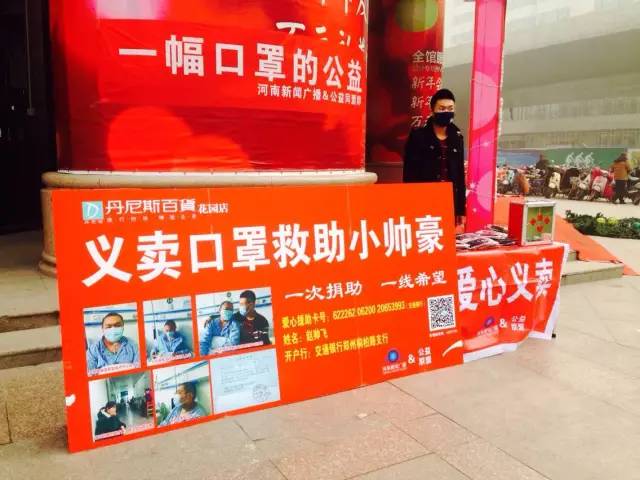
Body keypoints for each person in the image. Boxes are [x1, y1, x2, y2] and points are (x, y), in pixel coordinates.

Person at [403, 88, 466, 225]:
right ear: (432, 111)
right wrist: (410, 204)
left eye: (450, 108)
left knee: (447, 235)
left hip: (449, 200)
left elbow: (460, 175)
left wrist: (460, 209)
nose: (446, 112)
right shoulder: (418, 136)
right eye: (441, 108)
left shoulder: (457, 137)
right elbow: (409, 174)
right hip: (424, 200)